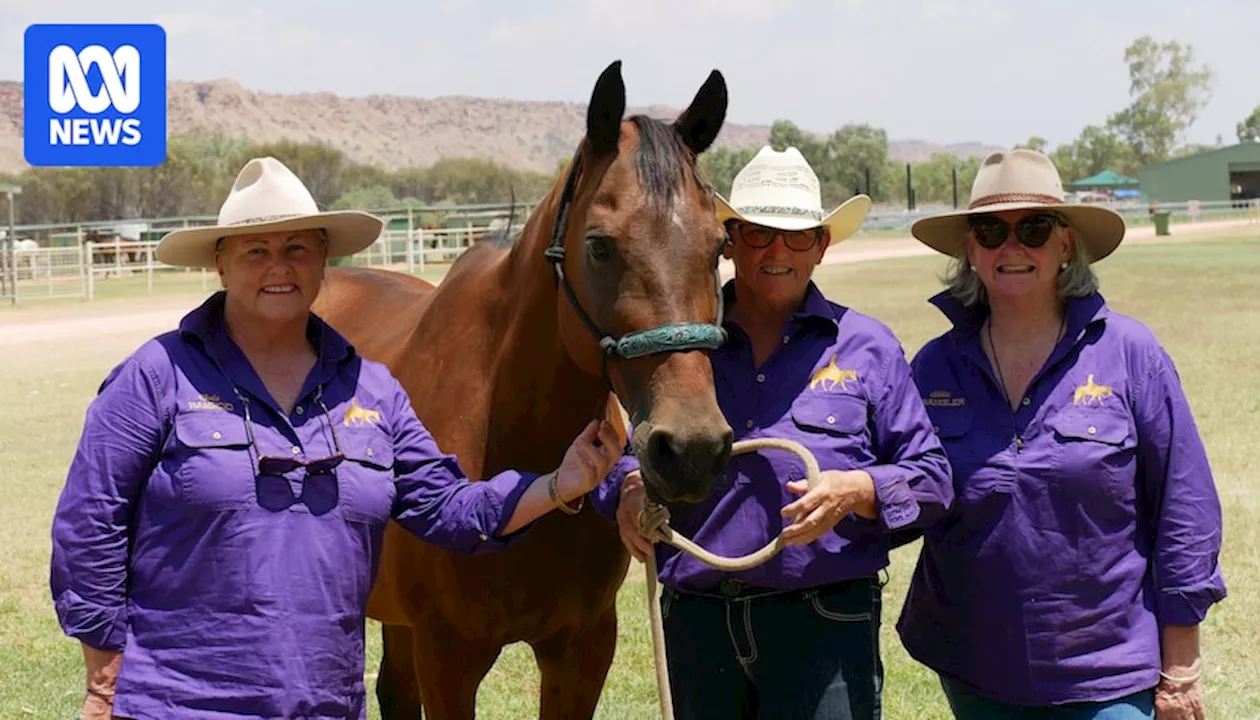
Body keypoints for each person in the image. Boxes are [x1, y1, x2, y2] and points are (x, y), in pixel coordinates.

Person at [49, 157, 622, 720]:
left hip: (324, 702)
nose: (280, 266)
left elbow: (446, 507)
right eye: (256, 250)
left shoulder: (371, 391)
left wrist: (557, 484)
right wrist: (104, 677)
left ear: (325, 257)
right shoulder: (154, 378)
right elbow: (91, 523)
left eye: (298, 247)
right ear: (220, 265)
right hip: (185, 701)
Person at [591, 146, 954, 719]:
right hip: (698, 618)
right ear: (730, 241)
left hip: (825, 621)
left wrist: (857, 491)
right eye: (759, 233)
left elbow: (931, 481)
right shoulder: (677, 346)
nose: (778, 251)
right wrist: (627, 488)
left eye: (798, 235)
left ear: (822, 245)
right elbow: (612, 449)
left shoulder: (867, 346)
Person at [897, 148, 1226, 720]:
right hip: (974, 668)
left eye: (1034, 227)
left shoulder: (1130, 354)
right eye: (991, 230)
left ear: (1066, 244)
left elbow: (1185, 507)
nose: (1012, 246)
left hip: (1109, 670)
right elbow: (900, 483)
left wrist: (1181, 668)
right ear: (970, 248)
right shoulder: (933, 366)